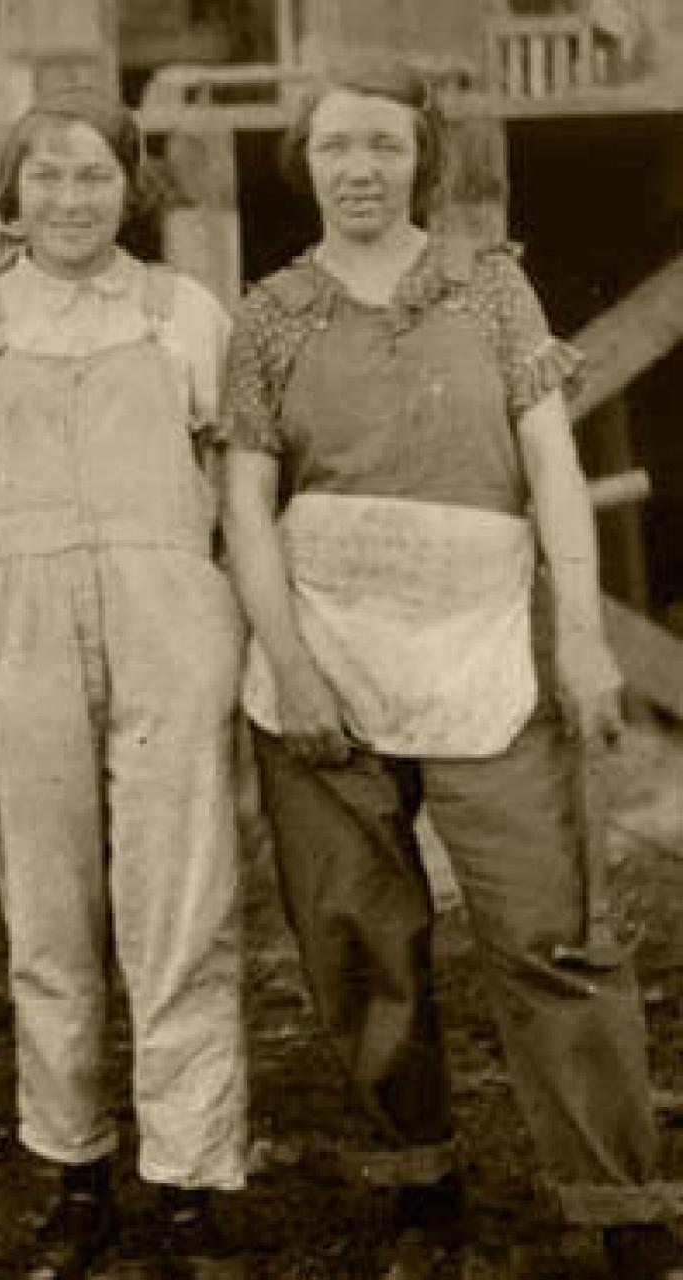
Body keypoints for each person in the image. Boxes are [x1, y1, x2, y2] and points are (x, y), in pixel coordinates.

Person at [220, 61, 683, 1279]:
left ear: (421, 156)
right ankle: (417, 1189)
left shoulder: (491, 289)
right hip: (326, 657)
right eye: (336, 148)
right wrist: (290, 663)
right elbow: (246, 509)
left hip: (485, 651)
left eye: (383, 145)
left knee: (549, 929)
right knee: (359, 935)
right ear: (304, 162)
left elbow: (550, 474)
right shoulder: (270, 312)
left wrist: (580, 638)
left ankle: (623, 1205)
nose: (360, 169)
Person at [0, 91, 249, 1279]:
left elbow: (244, 488)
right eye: (47, 177)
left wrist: (217, 619)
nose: (72, 199)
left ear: (128, 188)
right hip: (15, 638)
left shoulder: (184, 313)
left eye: (95, 177)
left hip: (166, 628)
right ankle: (74, 1172)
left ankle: (189, 1186)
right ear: (13, 191)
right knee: (48, 922)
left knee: (181, 913)